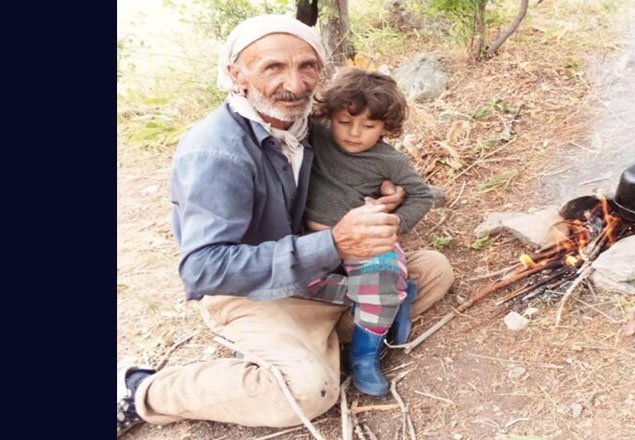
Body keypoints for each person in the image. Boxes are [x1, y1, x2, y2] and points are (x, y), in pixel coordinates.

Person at [116, 14, 454, 438]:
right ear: (236, 73)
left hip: (320, 277)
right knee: (307, 393)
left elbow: (366, 159)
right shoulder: (217, 153)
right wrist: (332, 243)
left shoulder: (309, 127)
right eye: (273, 67)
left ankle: (324, 341)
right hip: (254, 294)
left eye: (306, 66)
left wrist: (389, 195)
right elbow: (203, 270)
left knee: (432, 269)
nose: (293, 83)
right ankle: (143, 390)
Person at [304, 68, 433, 396]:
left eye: (369, 126)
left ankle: (364, 358)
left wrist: (397, 222)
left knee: (380, 275)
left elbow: (422, 194)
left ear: (386, 127)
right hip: (317, 242)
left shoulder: (390, 161)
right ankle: (393, 297)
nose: (354, 133)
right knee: (298, 281)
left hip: (367, 237)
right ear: (330, 114)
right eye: (344, 122)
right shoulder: (316, 133)